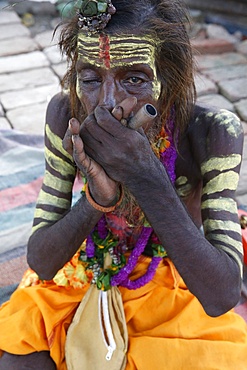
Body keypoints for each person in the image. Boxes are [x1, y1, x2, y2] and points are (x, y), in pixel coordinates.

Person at [0, 0, 247, 368]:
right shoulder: (67, 112)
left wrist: (143, 173)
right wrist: (98, 198)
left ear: (171, 79)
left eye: (135, 79)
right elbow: (42, 262)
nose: (108, 103)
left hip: (173, 279)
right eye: (90, 79)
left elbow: (221, 294)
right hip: (84, 272)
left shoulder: (211, 132)